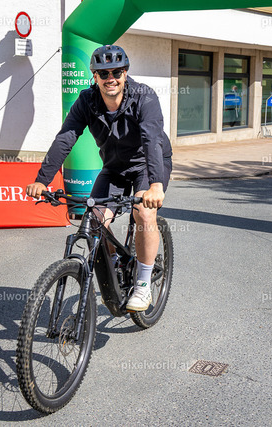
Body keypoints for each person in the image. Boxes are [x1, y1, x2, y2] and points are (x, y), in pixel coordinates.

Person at [26, 45, 172, 312]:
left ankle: (142, 284)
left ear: (125, 73)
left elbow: (152, 140)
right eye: (104, 73)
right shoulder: (87, 101)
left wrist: (155, 185)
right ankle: (114, 262)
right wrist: (42, 180)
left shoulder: (144, 97)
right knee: (94, 221)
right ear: (95, 76)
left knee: (143, 213)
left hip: (146, 165)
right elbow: (66, 137)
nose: (110, 78)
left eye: (116, 72)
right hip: (114, 167)